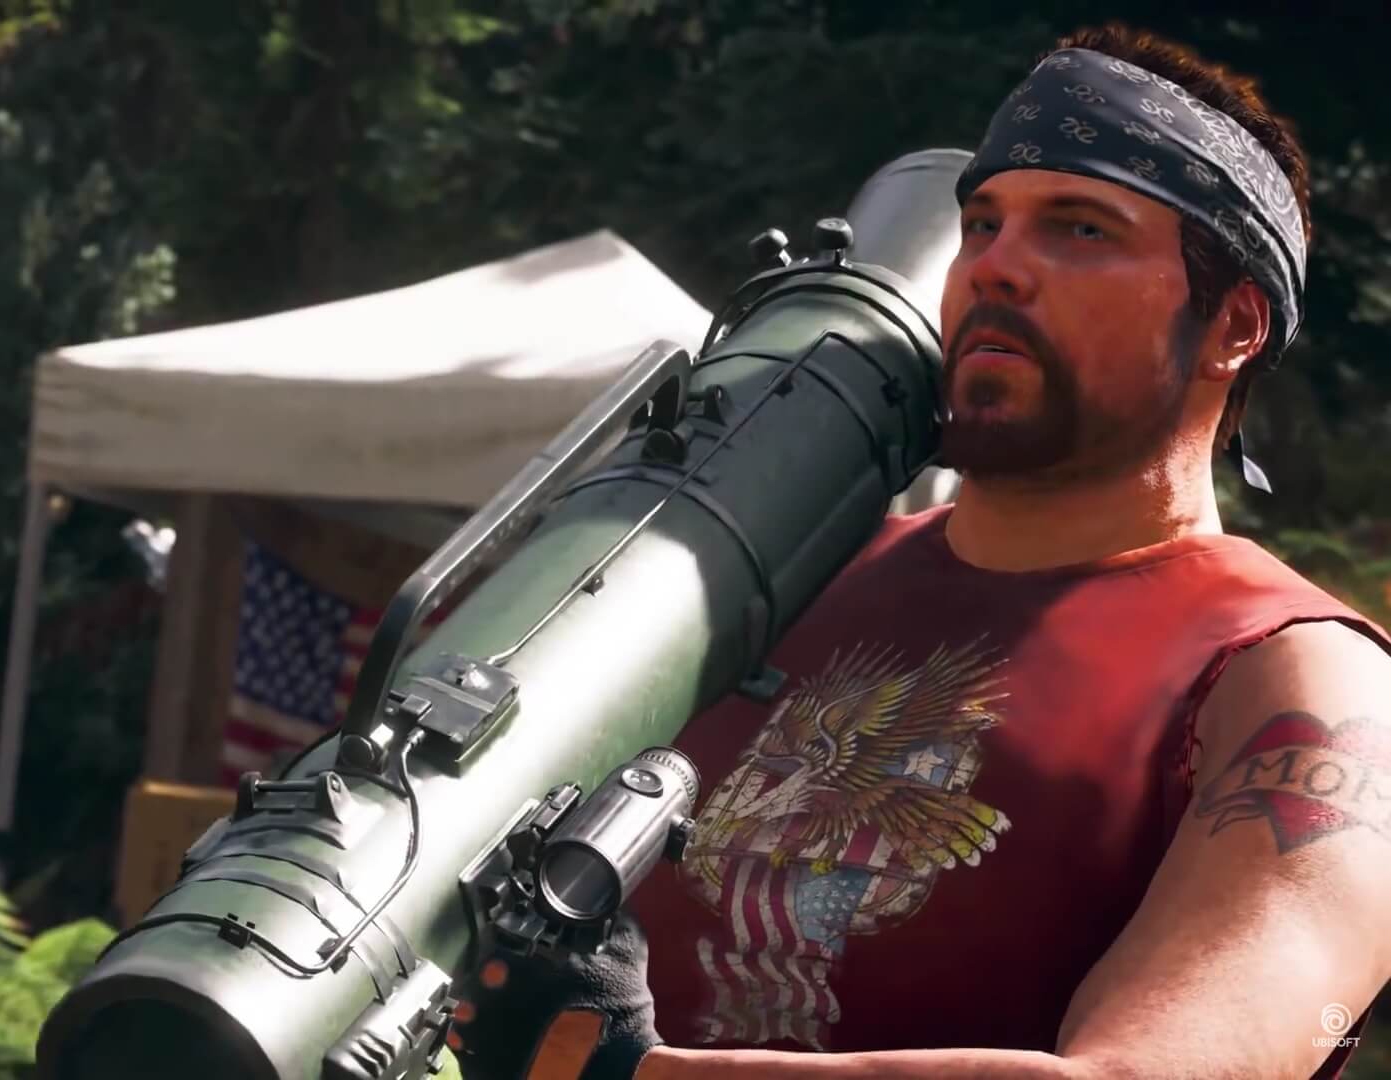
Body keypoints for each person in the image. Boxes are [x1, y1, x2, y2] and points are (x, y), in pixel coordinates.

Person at [449, 23, 1391, 1080]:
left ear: (1234, 327)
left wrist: (621, 1072)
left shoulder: (1298, 679)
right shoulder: (776, 582)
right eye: (982, 225)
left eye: (1082, 229)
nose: (996, 268)